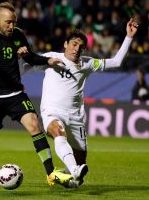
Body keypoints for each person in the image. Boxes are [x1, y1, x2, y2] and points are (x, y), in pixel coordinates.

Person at [0, 2, 73, 187]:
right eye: (8, 22)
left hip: (15, 93)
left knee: (34, 125)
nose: (12, 26)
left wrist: (47, 60)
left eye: (14, 22)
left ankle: (51, 173)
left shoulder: (18, 35)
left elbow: (30, 57)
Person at [24, 18, 139, 187]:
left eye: (81, 46)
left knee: (79, 170)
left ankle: (66, 176)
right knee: (58, 131)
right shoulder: (50, 58)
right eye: (74, 44)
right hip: (52, 111)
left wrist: (129, 37)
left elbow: (116, 62)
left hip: (76, 117)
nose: (76, 49)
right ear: (65, 44)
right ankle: (73, 170)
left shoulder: (88, 63)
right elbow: (27, 63)